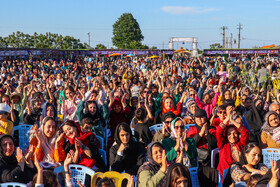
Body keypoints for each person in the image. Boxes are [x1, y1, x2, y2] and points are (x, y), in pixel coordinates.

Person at [216, 112, 249, 178]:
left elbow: (245, 133)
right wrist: (227, 119)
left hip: (240, 171)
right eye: (229, 134)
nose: (232, 136)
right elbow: (219, 131)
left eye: (234, 133)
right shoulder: (223, 145)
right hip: (224, 174)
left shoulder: (241, 144)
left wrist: (232, 121)